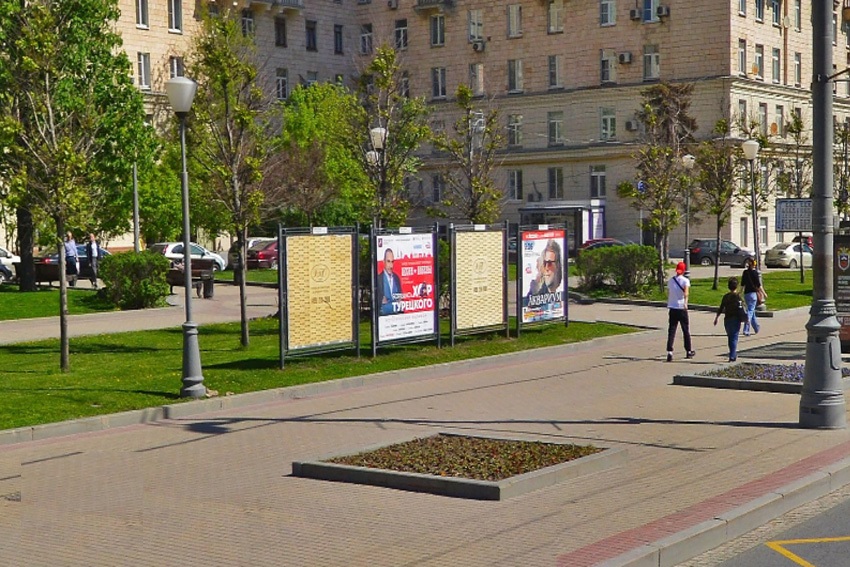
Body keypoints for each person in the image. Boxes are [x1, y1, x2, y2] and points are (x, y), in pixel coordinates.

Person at [666, 261, 695, 362]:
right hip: (681, 308)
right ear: (683, 270)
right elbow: (686, 293)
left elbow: (669, 292)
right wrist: (685, 303)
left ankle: (669, 351)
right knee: (685, 330)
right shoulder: (685, 281)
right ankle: (688, 350)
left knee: (672, 329)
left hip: (672, 307)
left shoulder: (671, 281)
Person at [714, 277, 744, 362]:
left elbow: (721, 308)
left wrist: (716, 318)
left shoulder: (726, 297)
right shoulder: (738, 297)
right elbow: (741, 309)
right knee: (734, 337)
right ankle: (732, 355)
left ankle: (732, 353)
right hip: (735, 319)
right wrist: (745, 318)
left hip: (727, 320)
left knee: (730, 337)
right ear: (737, 286)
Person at [741, 257, 765, 336]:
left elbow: (742, 285)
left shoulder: (745, 272)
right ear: (753, 264)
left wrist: (739, 293)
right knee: (750, 312)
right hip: (753, 295)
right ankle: (746, 329)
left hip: (746, 295)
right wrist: (764, 293)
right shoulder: (755, 273)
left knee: (751, 311)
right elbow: (759, 285)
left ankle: (756, 327)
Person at [377, 248, 403, 315]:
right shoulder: (378, 279)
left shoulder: (397, 278)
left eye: (392, 262)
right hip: (384, 317)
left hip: (396, 316)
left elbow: (400, 299)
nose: (391, 265)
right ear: (384, 262)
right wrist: (380, 300)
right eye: (388, 261)